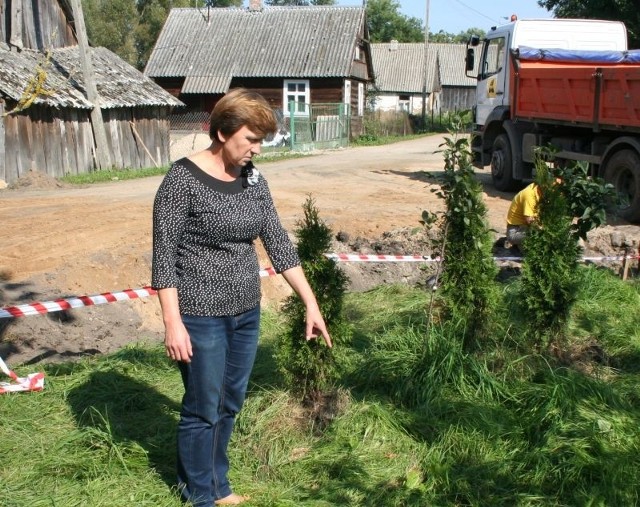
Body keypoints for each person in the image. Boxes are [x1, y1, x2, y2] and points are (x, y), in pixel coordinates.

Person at [152, 88, 332, 507]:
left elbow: (278, 242)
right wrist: (172, 323)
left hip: (246, 312)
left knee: (230, 402)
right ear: (221, 132)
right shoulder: (181, 181)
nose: (256, 149)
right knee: (203, 406)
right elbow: (163, 260)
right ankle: (199, 495)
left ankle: (218, 485)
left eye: (260, 141)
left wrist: (310, 302)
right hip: (199, 315)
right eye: (250, 139)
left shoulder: (252, 178)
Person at [505, 182, 541, 249]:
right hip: (516, 231)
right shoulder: (529, 194)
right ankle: (514, 244)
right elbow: (529, 220)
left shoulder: (541, 191)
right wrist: (544, 230)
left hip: (527, 228)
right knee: (539, 237)